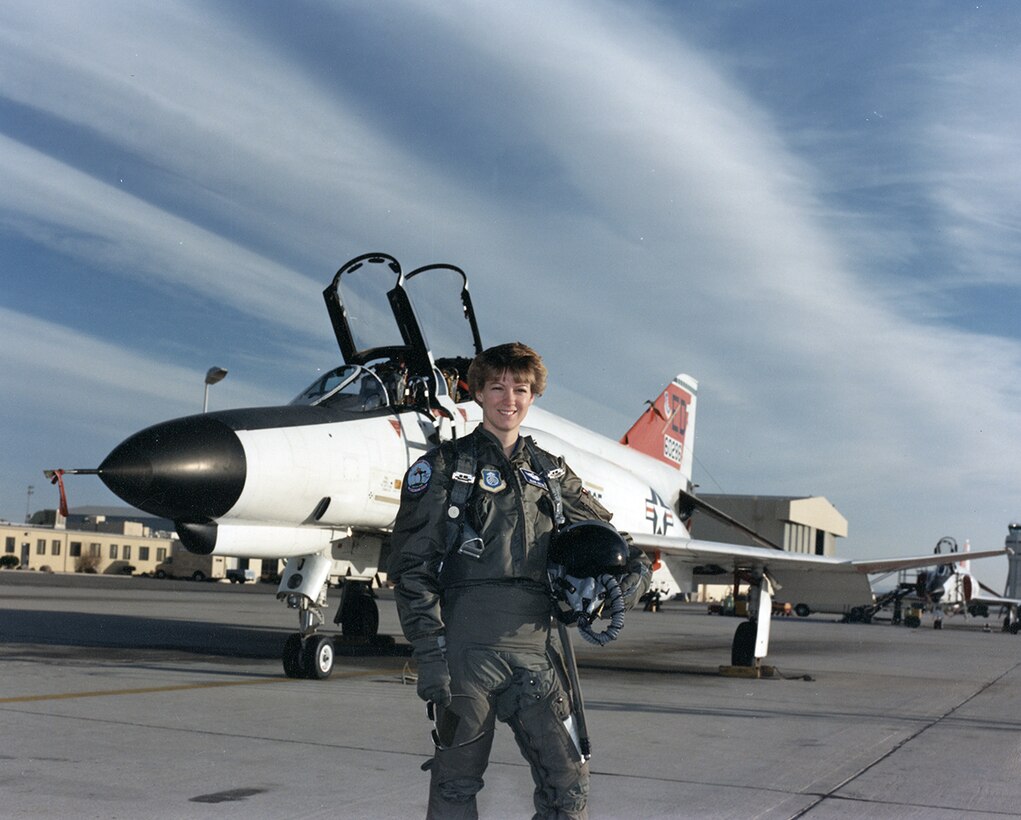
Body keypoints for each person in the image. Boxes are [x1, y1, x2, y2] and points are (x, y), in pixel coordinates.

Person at [388, 342, 650, 819]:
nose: (509, 399)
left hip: (538, 651)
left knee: (569, 785)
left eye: (521, 389)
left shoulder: (551, 473)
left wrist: (626, 584)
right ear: (479, 394)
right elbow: (411, 569)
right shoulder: (445, 468)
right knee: (455, 786)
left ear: (533, 397)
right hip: (467, 654)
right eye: (498, 387)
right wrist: (431, 655)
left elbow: (613, 543)